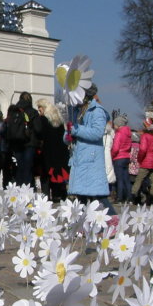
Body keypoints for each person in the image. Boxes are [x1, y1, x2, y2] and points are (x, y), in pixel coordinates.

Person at [67, 84, 114, 215]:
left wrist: (76, 130)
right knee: (81, 194)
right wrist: (67, 135)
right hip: (79, 157)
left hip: (91, 158)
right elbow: (72, 132)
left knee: (97, 194)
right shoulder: (76, 111)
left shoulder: (96, 110)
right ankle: (82, 223)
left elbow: (98, 132)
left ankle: (112, 220)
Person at [35, 100, 69, 200]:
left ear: (45, 108)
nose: (39, 110)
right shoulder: (59, 120)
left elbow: (40, 133)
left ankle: (46, 197)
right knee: (58, 174)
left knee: (46, 174)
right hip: (60, 151)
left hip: (47, 151)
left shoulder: (43, 119)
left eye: (40, 107)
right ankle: (58, 195)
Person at [9, 92, 38, 187]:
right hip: (29, 144)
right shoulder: (33, 111)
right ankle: (27, 192)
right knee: (28, 169)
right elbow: (38, 129)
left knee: (19, 168)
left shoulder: (14, 110)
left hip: (16, 143)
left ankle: (18, 189)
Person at [131, 119, 153, 205]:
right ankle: (152, 199)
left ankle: (133, 197)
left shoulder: (145, 136)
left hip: (146, 161)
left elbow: (143, 149)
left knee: (139, 179)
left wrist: (139, 159)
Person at [110, 113, 132, 204]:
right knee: (126, 178)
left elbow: (115, 148)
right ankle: (129, 197)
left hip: (119, 157)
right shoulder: (128, 134)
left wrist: (112, 155)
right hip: (126, 157)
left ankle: (120, 197)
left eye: (114, 124)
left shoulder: (118, 134)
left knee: (119, 179)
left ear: (118, 125)